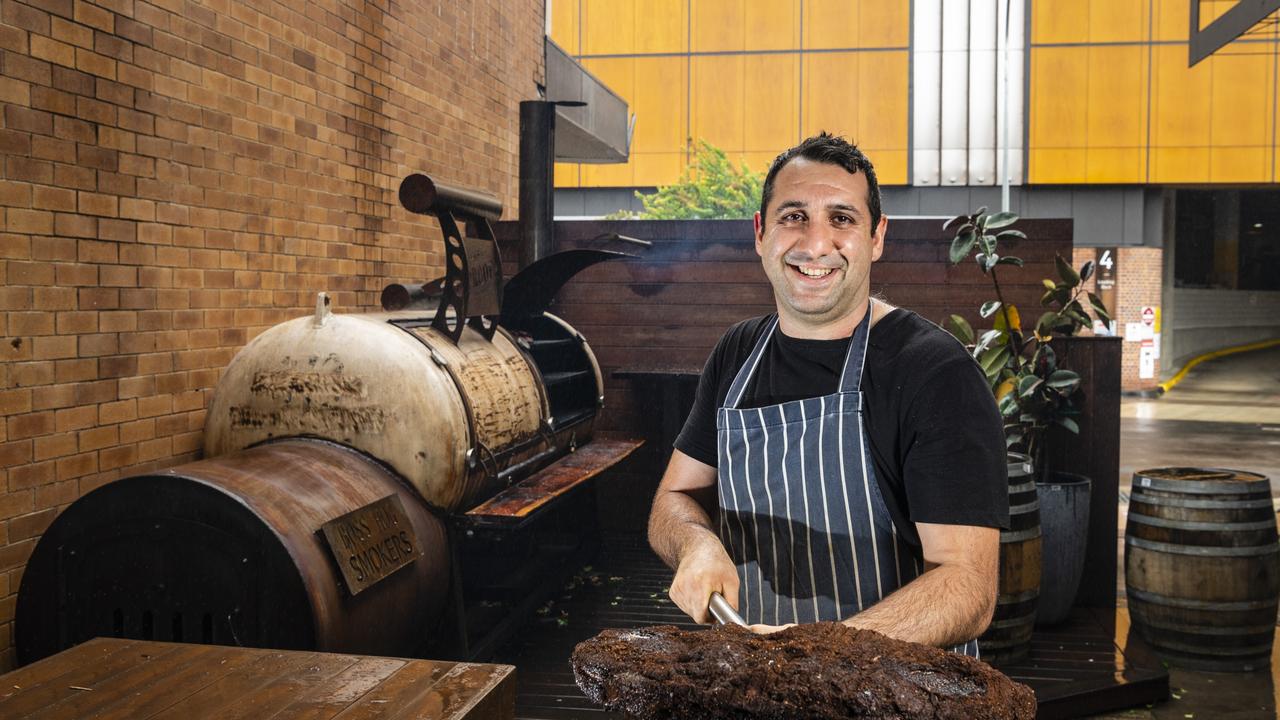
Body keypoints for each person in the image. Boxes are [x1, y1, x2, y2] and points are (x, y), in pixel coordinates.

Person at [647, 133, 1008, 656]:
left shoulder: (934, 371)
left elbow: (968, 588)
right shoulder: (737, 354)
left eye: (842, 218)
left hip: (898, 696)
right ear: (760, 233)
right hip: (762, 690)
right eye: (794, 216)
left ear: (877, 237)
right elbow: (674, 499)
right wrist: (696, 545)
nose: (816, 244)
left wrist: (812, 654)